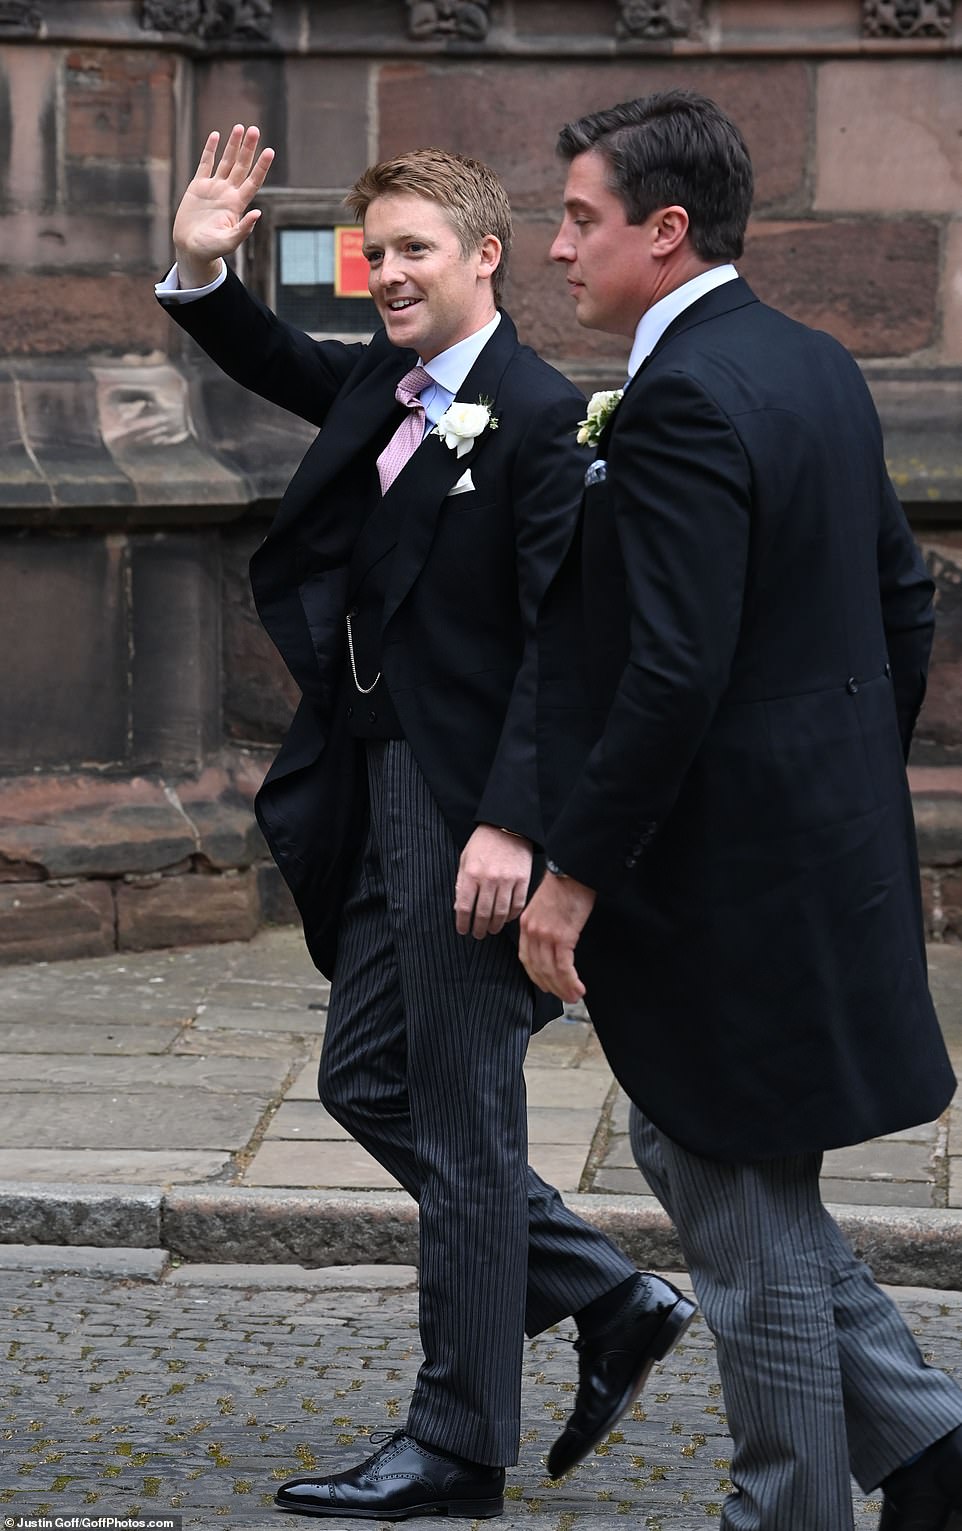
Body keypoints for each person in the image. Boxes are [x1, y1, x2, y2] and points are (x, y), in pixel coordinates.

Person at [156, 126, 695, 1520]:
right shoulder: (386, 389)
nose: (387, 275)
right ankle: (600, 1289)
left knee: (460, 1131)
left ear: (485, 258)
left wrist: (514, 827)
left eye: (414, 251)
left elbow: (561, 653)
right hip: (377, 789)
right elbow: (273, 362)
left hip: (472, 819)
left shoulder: (536, 418)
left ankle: (454, 1449)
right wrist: (203, 271)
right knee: (365, 1080)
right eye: (373, 252)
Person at [518, 89, 962, 1531]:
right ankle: (926, 1442)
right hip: (810, 850)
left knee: (730, 1196)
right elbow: (904, 593)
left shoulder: (687, 395)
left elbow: (669, 668)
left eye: (578, 219)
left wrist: (573, 872)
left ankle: (789, 1513)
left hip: (731, 877)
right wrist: (833, 771)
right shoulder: (812, 360)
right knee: (705, 1153)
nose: (552, 248)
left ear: (664, 228)